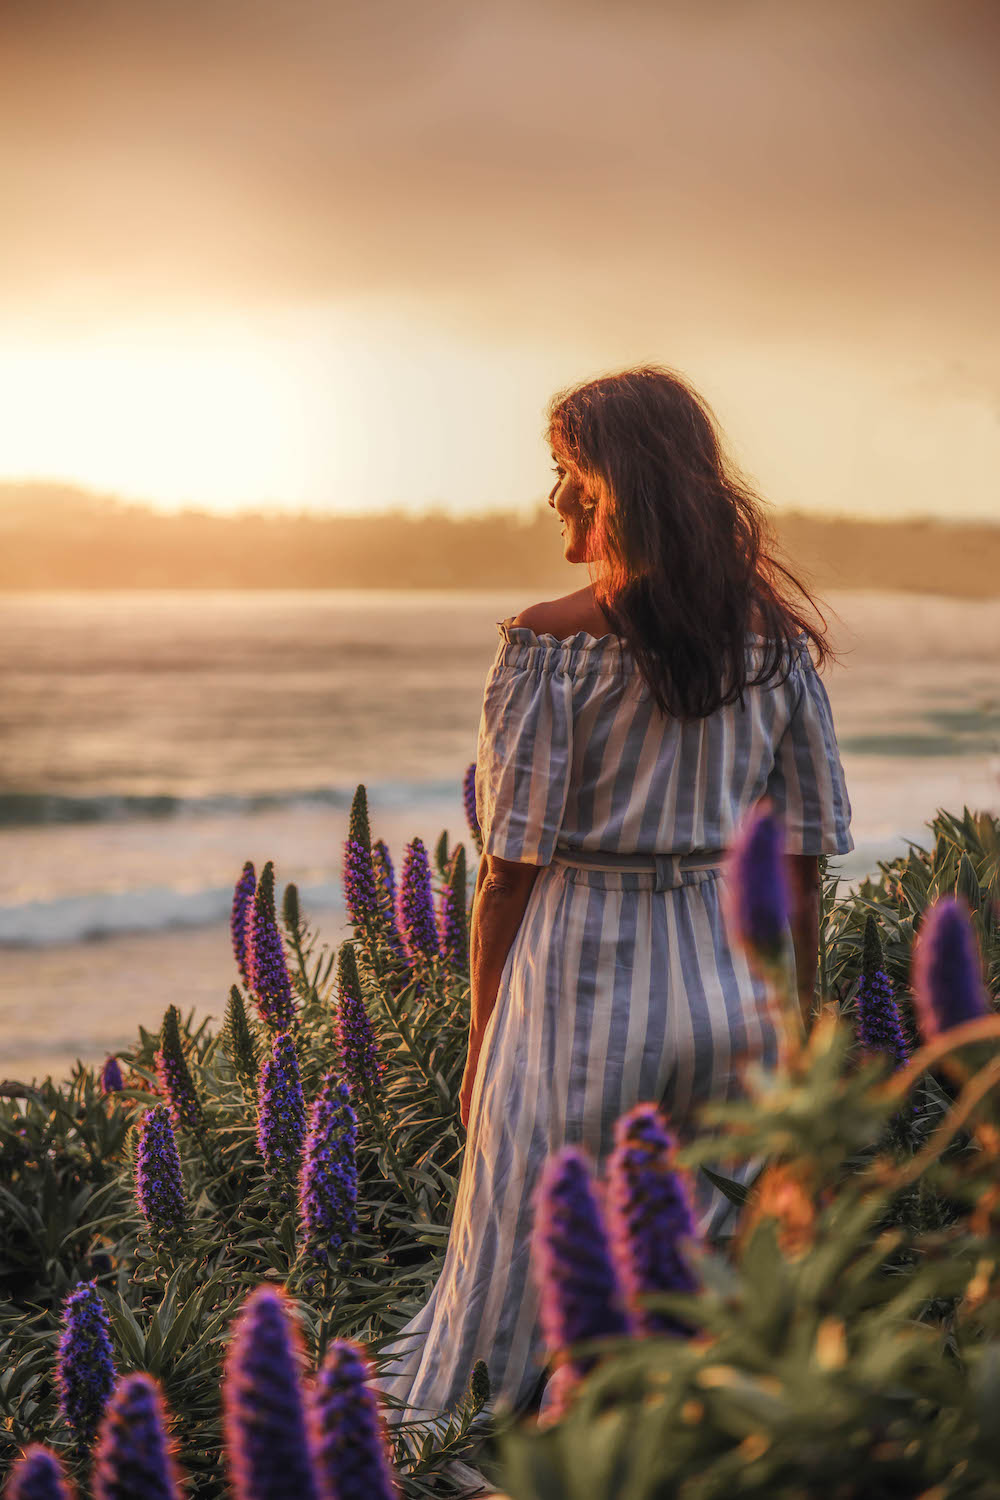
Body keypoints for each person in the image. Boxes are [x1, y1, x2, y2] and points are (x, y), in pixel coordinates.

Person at [376, 364, 853, 1435]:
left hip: (578, 975)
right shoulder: (776, 646)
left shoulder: (546, 643)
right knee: (694, 1249)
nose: (551, 498)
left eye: (564, 473)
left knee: (527, 1246)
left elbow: (509, 867)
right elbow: (805, 858)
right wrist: (799, 1027)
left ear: (609, 489)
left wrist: (481, 1033)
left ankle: (496, 1441)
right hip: (728, 983)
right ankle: (675, 1438)